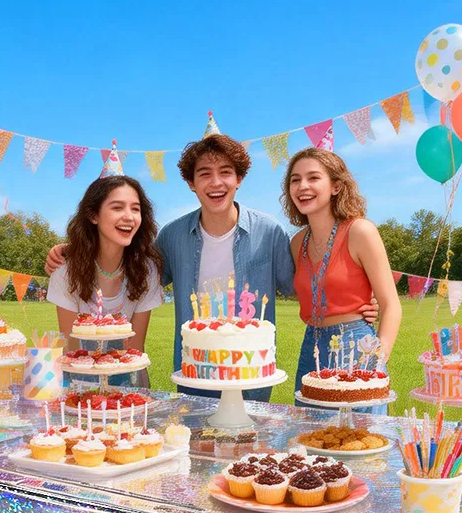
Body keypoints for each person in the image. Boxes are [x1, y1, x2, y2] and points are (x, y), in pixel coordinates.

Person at [47, 119, 378, 400]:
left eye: (225, 172)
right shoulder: (172, 237)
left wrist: (360, 299)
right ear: (191, 184)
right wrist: (74, 249)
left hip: (251, 380)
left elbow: (301, 285)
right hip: (194, 374)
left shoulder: (269, 232)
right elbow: (132, 266)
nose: (216, 182)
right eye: (204, 173)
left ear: (239, 179)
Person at [281, 147, 401, 412]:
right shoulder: (297, 242)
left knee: (360, 441)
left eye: (313, 178)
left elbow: (391, 304)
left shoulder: (360, 231)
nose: (303, 186)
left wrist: (377, 361)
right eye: (295, 179)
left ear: (336, 186)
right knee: (312, 439)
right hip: (311, 346)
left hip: (357, 347)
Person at [46, 175, 164, 388]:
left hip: (128, 383)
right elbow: (71, 349)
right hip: (78, 384)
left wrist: (132, 395)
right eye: (117, 208)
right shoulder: (64, 269)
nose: (129, 217)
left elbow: (135, 347)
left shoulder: (147, 270)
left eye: (135, 209)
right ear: (93, 215)